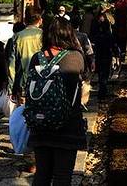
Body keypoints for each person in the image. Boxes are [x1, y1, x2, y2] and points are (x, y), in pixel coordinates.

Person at [28, 17, 86, 185]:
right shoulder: (75, 57)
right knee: (62, 175)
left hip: (40, 122)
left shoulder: (37, 58)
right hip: (67, 124)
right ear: (69, 34)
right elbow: (82, 83)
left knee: (42, 174)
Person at [9, 10, 43, 103]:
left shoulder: (17, 36)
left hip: (22, 80)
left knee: (24, 108)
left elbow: (12, 64)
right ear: (40, 21)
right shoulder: (44, 35)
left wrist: (11, 87)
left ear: (25, 21)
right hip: (42, 79)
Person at [91, 13, 118, 98]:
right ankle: (103, 89)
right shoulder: (110, 36)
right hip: (107, 56)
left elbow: (95, 48)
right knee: (105, 74)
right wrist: (117, 56)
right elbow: (114, 47)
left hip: (99, 56)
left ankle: (102, 89)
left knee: (100, 74)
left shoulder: (97, 36)